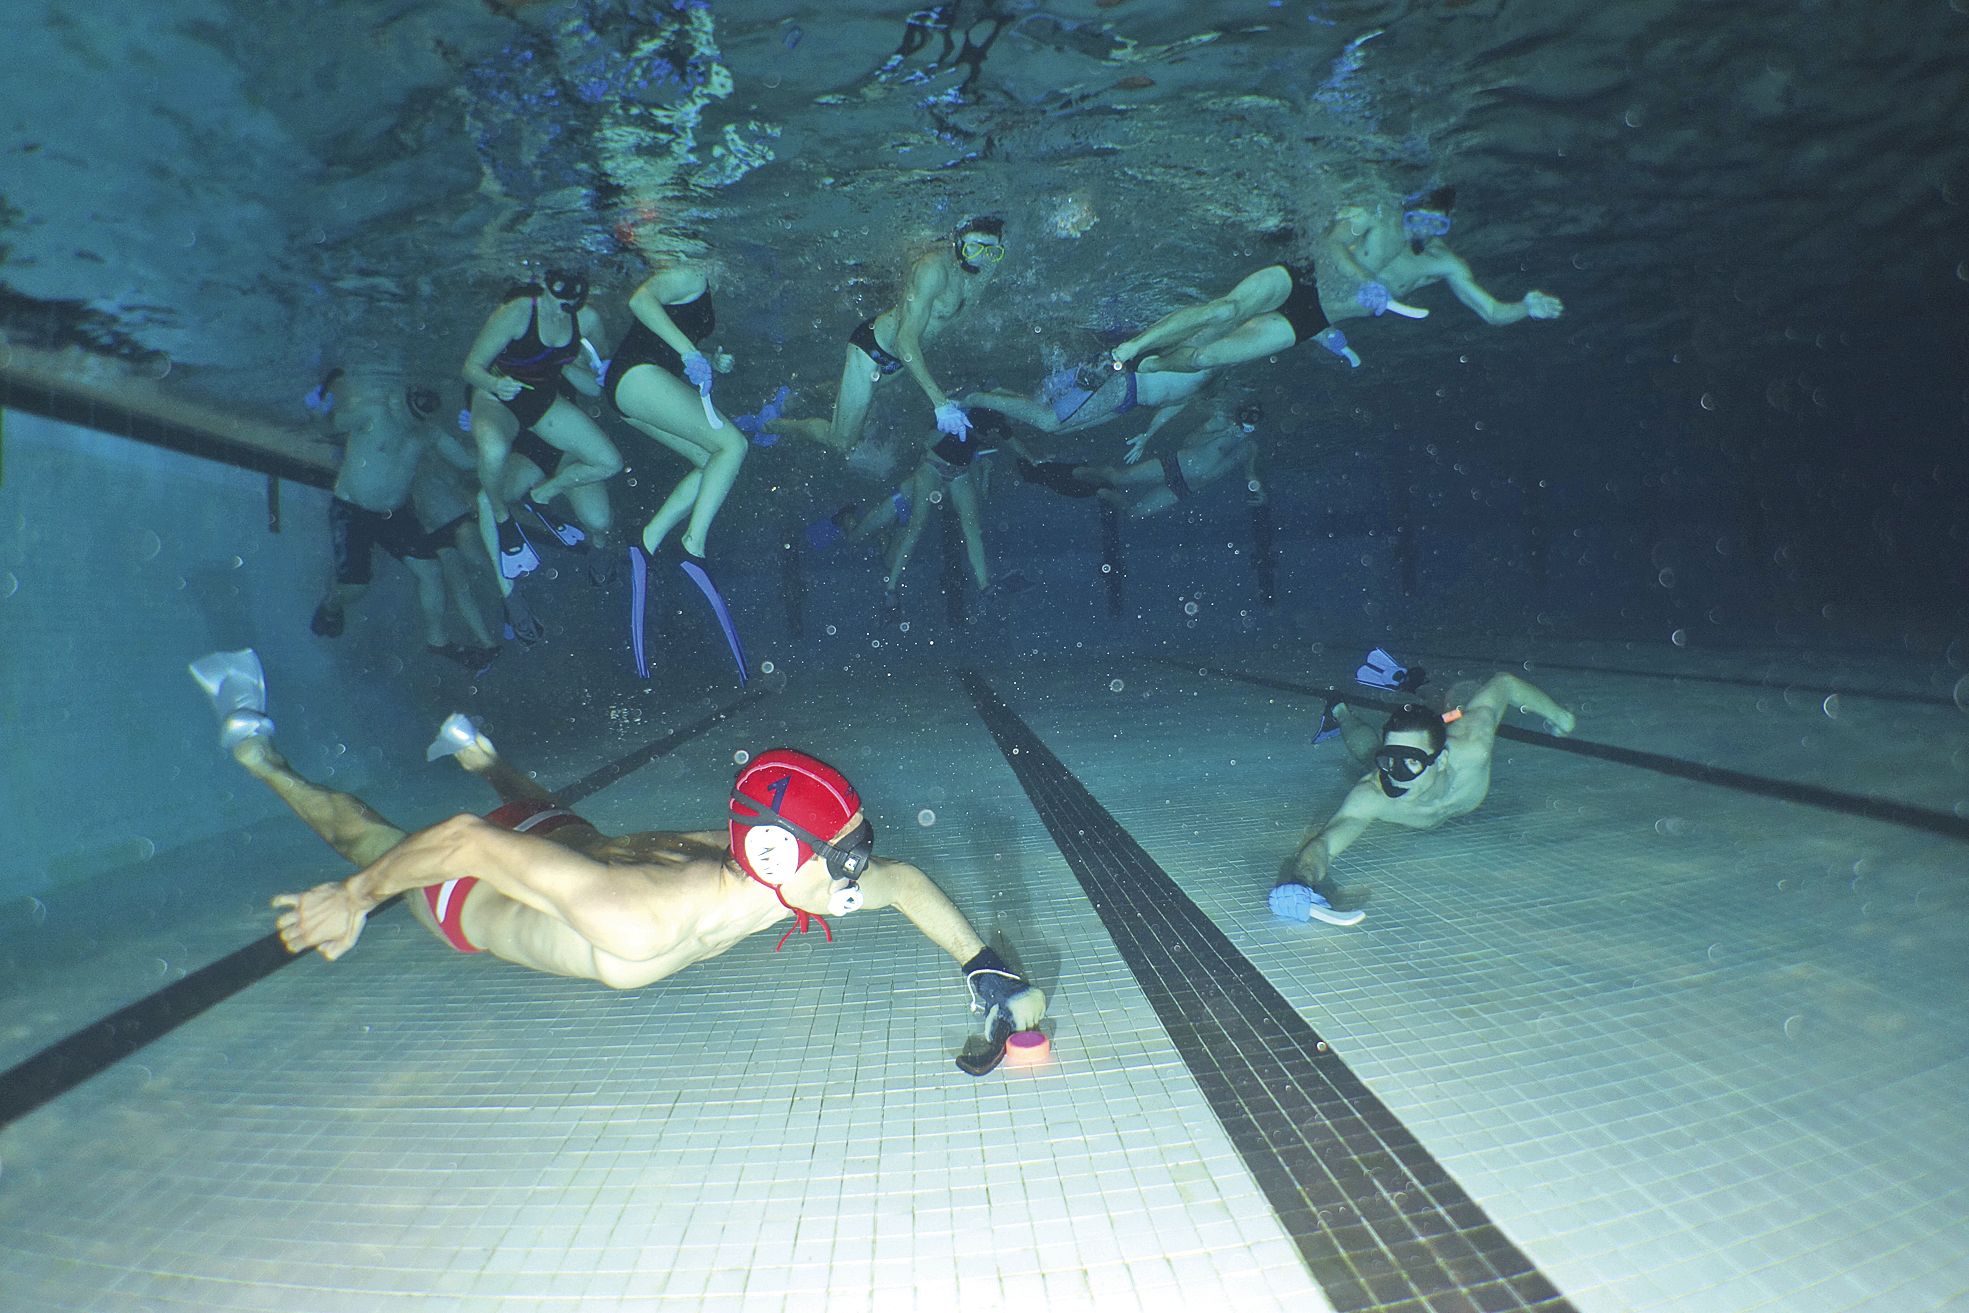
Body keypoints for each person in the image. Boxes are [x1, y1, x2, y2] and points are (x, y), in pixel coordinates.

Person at [187, 657, 1048, 1070]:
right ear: (783, 854)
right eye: (847, 852)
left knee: (550, 811)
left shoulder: (777, 876)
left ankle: (477, 752)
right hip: (465, 890)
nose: (860, 865)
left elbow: (898, 882)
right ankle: (254, 746)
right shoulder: (639, 912)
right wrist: (353, 896)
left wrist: (980, 967)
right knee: (368, 832)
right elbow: (460, 842)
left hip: (569, 846)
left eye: (855, 844)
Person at [1105, 187, 1561, 376]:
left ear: (1449, 225)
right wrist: (1366, 280)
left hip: (1315, 316)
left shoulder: (1444, 265)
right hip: (1298, 281)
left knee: (1207, 356)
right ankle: (1129, 347)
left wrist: (1526, 306)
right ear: (1407, 209)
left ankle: (1150, 365)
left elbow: (1491, 311)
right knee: (1226, 310)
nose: (1423, 232)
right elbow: (1328, 244)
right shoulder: (1376, 217)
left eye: (1437, 226)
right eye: (1419, 219)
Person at [1272, 671, 1577, 921]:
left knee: (1452, 709)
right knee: (1368, 752)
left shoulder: (1474, 744)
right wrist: (1301, 881)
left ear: (1441, 761)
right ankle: (1338, 711)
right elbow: (1325, 843)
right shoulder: (1375, 793)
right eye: (1390, 759)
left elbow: (1505, 684)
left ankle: (1416, 682)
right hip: (1434, 748)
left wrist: (1559, 715)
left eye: (1412, 762)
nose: (1395, 774)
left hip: (1453, 729)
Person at [600, 253, 750, 683]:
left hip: (633, 382)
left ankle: (646, 540)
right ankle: (693, 547)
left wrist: (705, 356)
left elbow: (663, 327)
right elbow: (640, 302)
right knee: (733, 445)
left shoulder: (698, 282)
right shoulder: (691, 270)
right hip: (637, 376)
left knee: (710, 462)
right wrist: (688, 354)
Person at [766, 217, 1010, 454]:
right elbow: (904, 341)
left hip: (902, 361)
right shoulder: (933, 269)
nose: (981, 258)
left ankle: (792, 397)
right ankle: (771, 425)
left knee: (851, 392)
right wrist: (940, 402)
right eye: (974, 248)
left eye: (991, 251)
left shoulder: (985, 266)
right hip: (874, 351)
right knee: (842, 442)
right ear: (957, 242)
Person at [308, 373, 494, 668]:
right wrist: (319, 406)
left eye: (418, 418)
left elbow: (469, 462)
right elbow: (327, 426)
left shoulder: (427, 433)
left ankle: (437, 640)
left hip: (394, 515)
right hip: (351, 511)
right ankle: (331, 606)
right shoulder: (374, 412)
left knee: (431, 572)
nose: (410, 423)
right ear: (400, 401)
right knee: (356, 587)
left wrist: (480, 430)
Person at [460, 269, 623, 584]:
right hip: (526, 449)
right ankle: (506, 540)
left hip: (561, 447)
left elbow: (594, 387)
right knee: (489, 480)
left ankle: (586, 532)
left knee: (600, 516)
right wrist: (488, 390)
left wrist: (569, 366)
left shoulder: (579, 332)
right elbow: (473, 371)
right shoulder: (515, 320)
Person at [830, 411, 1008, 599]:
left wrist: (986, 471)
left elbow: (980, 496)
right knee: (855, 538)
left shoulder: (968, 459)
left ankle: (883, 539)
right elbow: (927, 444)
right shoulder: (941, 456)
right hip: (901, 504)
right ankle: (846, 517)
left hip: (905, 519)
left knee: (890, 563)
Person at [1017, 402, 1264, 518]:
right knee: (1118, 476)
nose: (1248, 423)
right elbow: (1190, 441)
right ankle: (1057, 470)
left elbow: (1251, 477)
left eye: (1253, 419)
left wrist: (1258, 493)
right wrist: (1223, 433)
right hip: (1177, 464)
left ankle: (1101, 492)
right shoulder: (1221, 423)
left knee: (1135, 514)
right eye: (1246, 416)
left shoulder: (1249, 447)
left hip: (1186, 487)